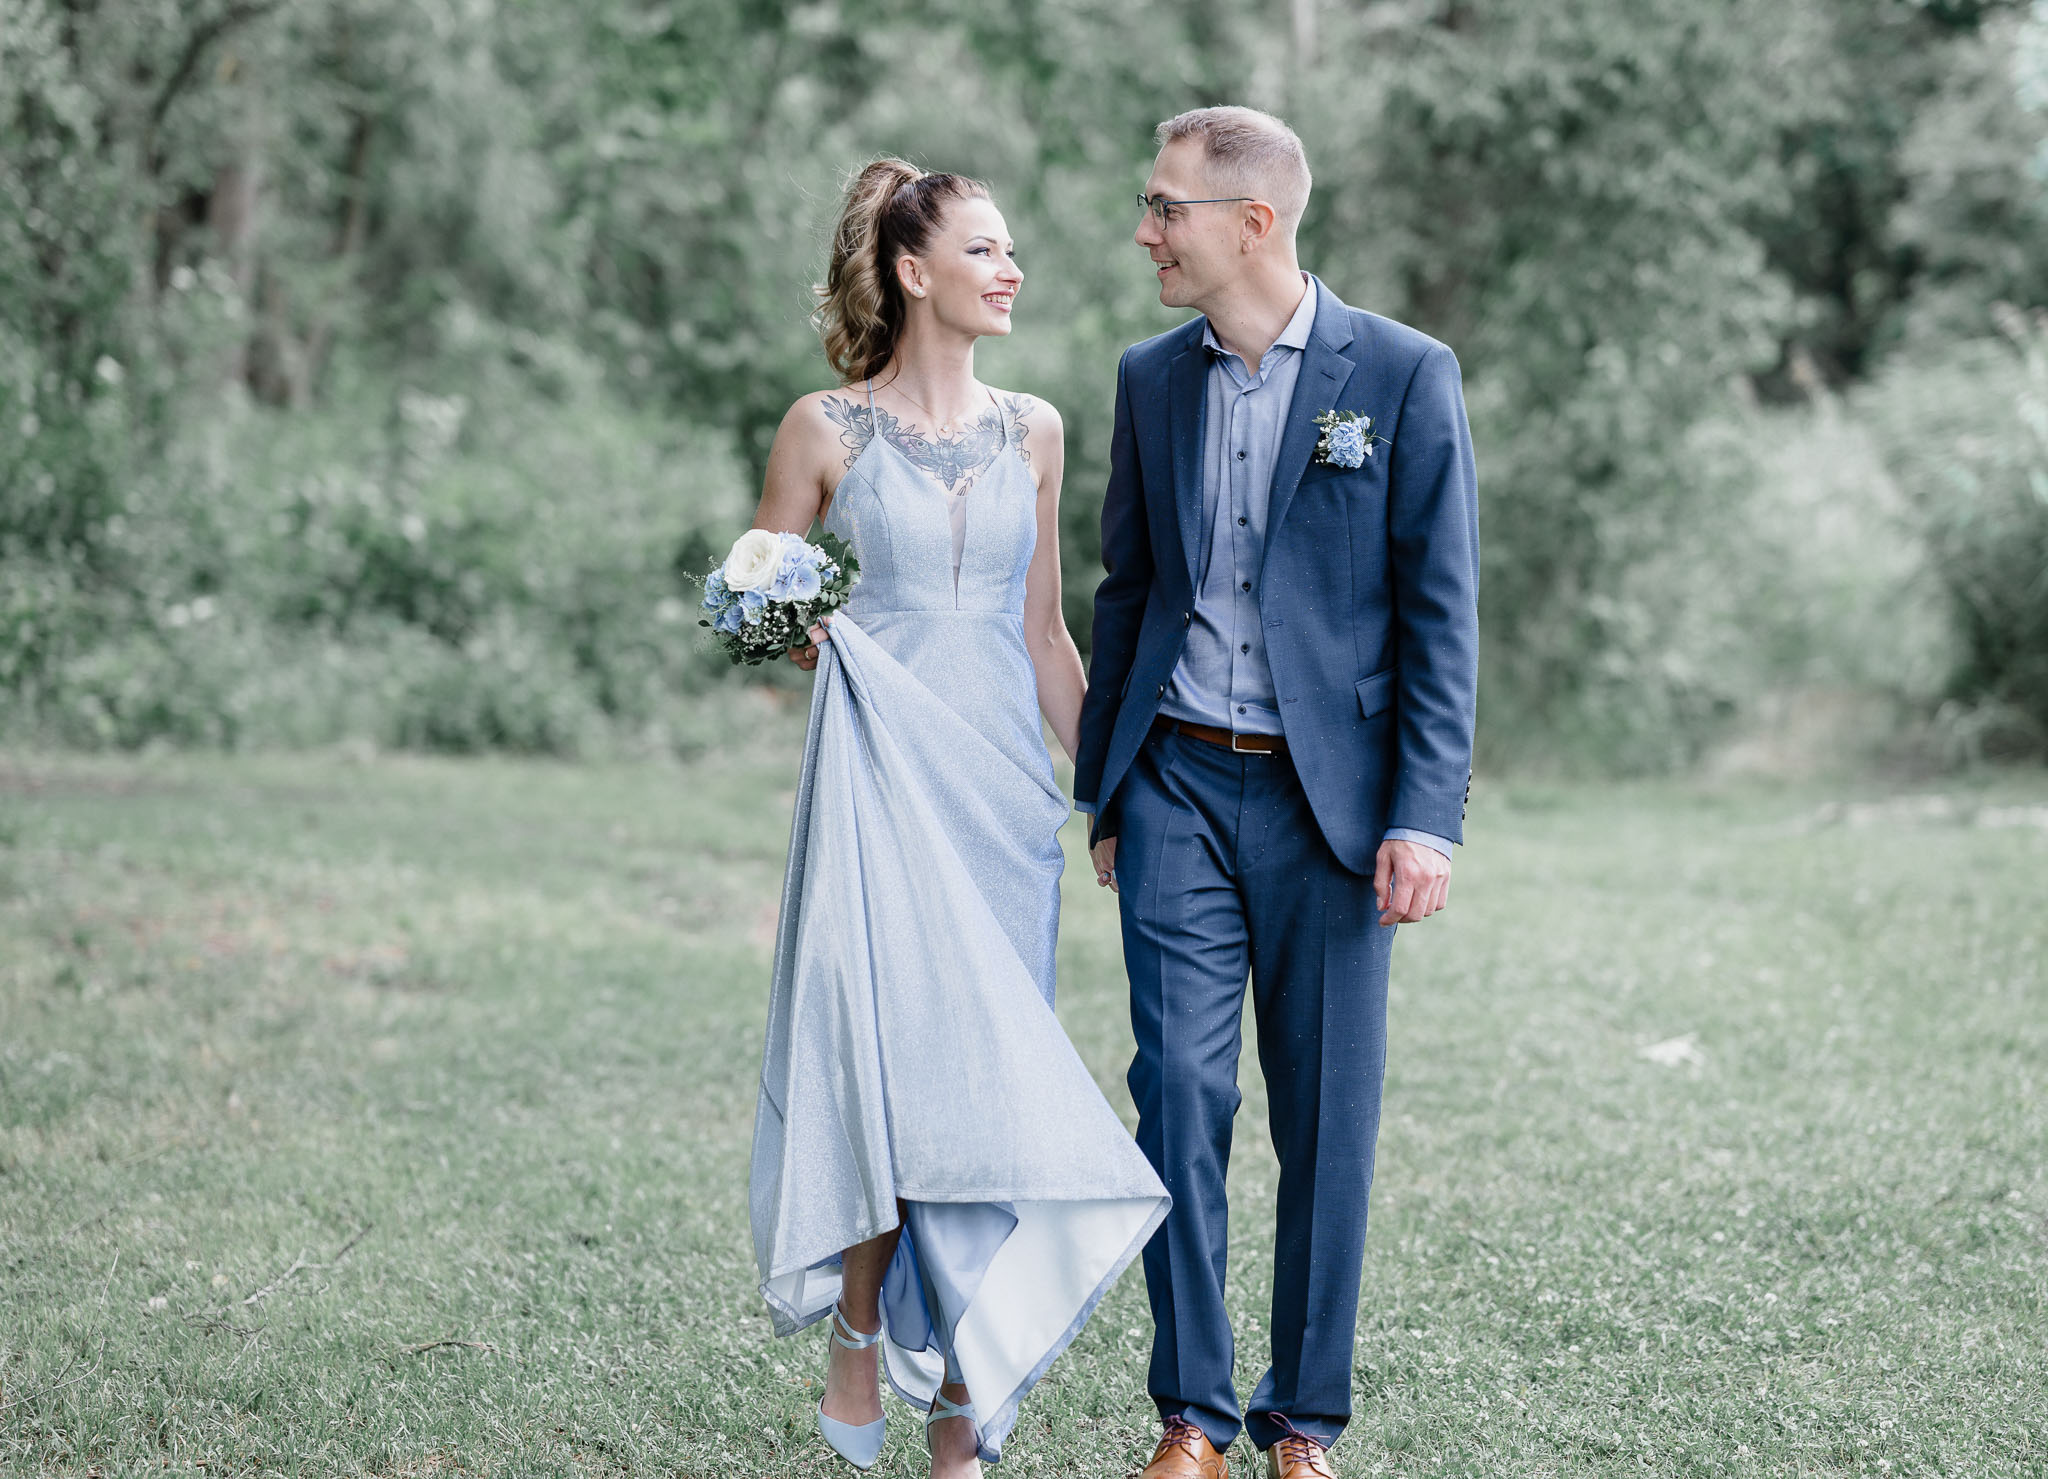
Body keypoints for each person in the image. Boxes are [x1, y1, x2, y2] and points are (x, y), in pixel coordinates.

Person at [745, 158, 1169, 1479]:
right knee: (884, 1070)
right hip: (880, 786)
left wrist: (1112, 782)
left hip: (999, 796)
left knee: (982, 1090)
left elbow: (1045, 633)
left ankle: (962, 1403)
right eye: (986, 251)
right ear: (915, 271)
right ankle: (863, 1328)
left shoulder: (1035, 428)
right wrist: (811, 634)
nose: (1011, 270)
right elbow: (769, 606)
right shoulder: (822, 426)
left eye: (1013, 251)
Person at [1073, 108, 1480, 1479]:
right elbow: (1126, 589)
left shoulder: (1406, 375)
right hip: (1177, 775)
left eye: (1165, 207)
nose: (1147, 232)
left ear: (1254, 222)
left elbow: (1443, 613)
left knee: (1325, 1117)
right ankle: (1188, 1417)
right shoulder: (1150, 378)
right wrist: (1108, 796)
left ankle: (1303, 1424)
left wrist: (1424, 815)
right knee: (1176, 1094)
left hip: (1336, 807)